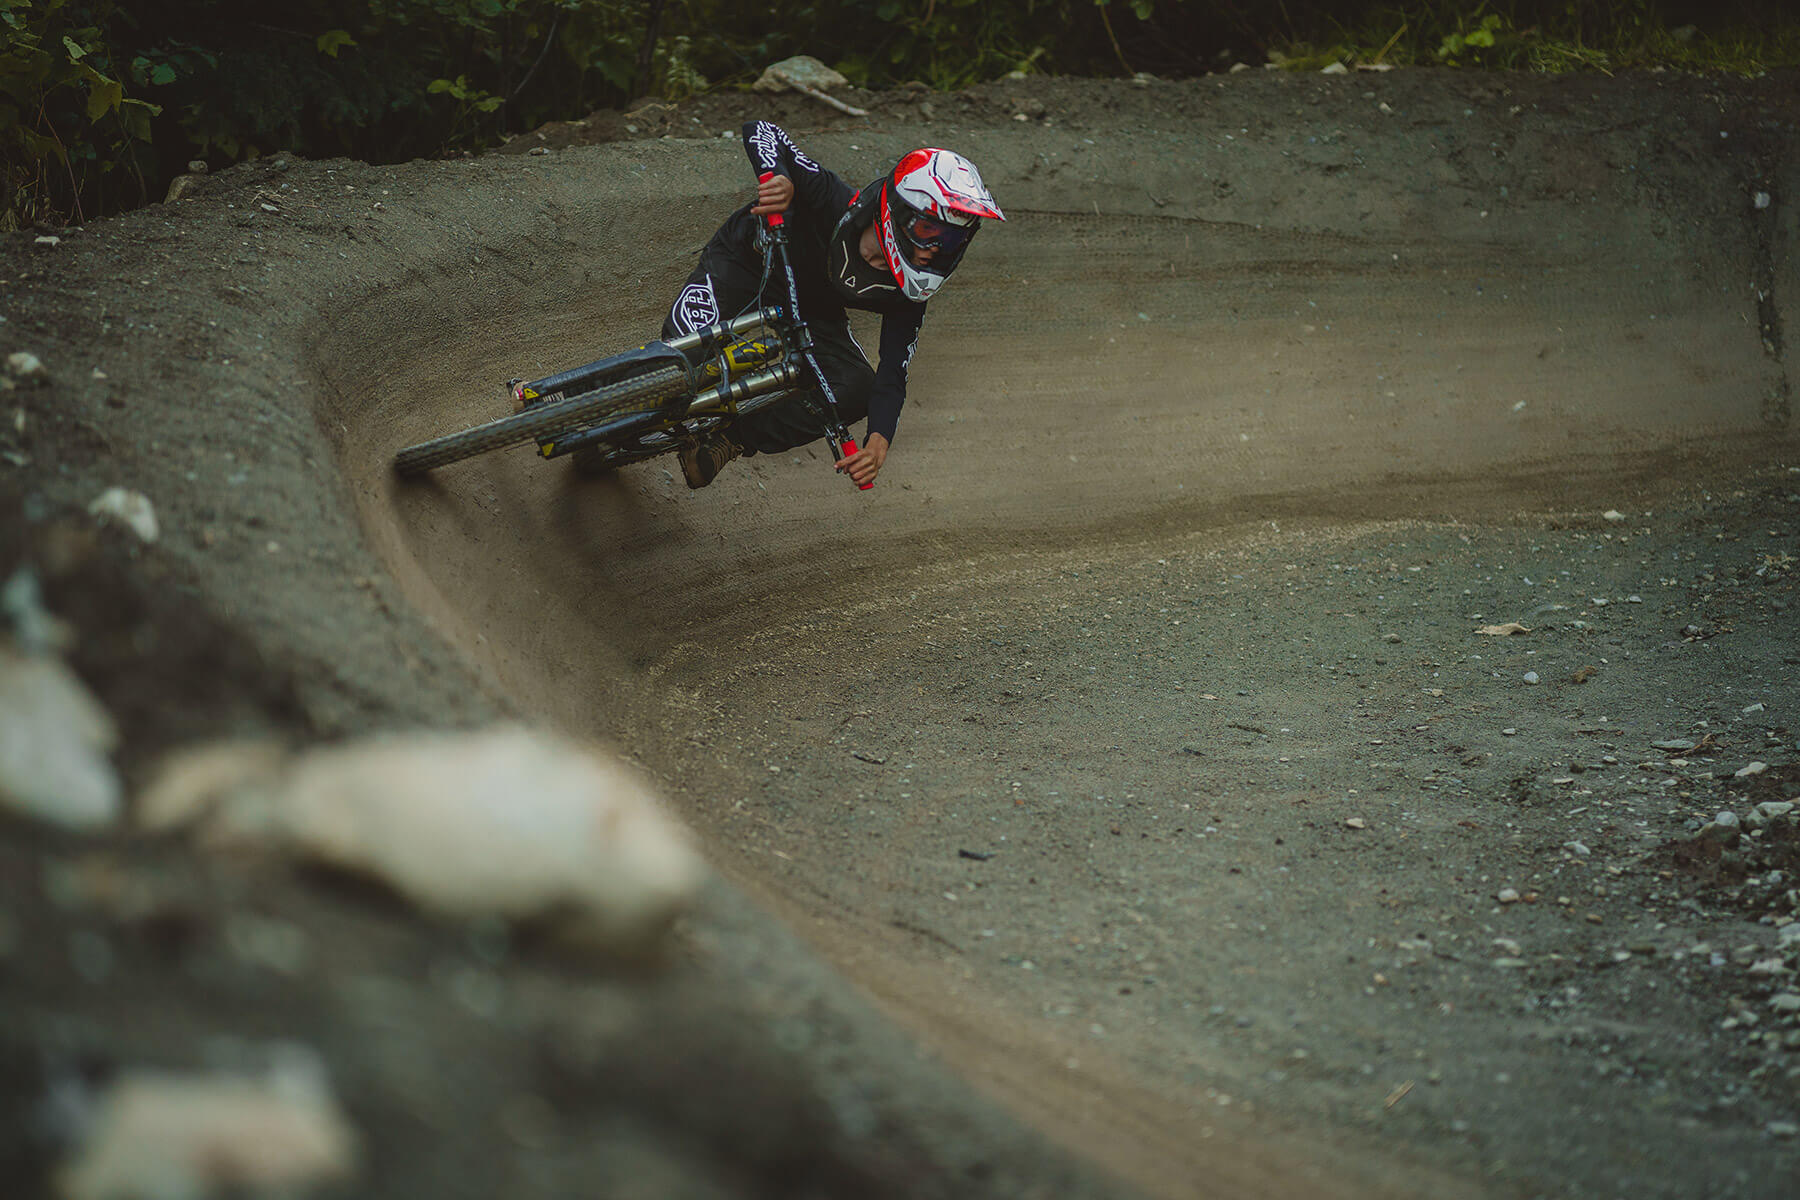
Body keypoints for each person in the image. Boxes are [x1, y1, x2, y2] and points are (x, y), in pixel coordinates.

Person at [666, 120, 1004, 489]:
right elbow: (762, 130)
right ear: (900, 210)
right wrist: (777, 176)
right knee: (674, 363)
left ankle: (732, 439)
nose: (934, 250)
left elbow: (893, 373)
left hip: (811, 310)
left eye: (952, 240)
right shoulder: (835, 199)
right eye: (928, 231)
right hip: (747, 260)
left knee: (857, 387)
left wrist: (879, 440)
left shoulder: (909, 295)